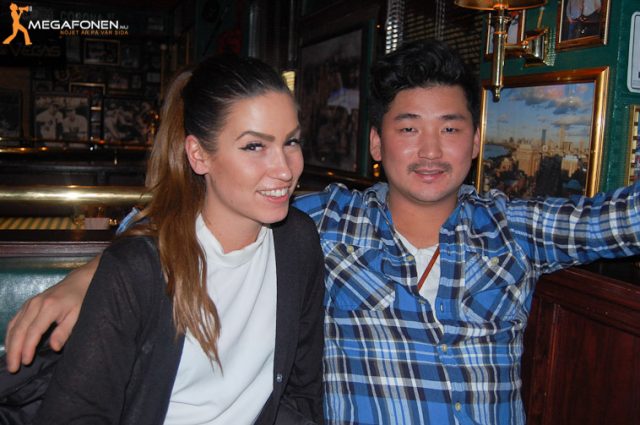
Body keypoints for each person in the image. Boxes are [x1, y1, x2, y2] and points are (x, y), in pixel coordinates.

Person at [6, 39, 640, 424]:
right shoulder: (328, 222)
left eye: (450, 128)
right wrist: (91, 273)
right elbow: (197, 208)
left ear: (475, 142)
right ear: (376, 145)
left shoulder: (515, 227)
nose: (430, 150)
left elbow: (619, 220)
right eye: (408, 128)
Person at [4, 54, 325, 424]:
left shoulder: (297, 243)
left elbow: (301, 393)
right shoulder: (138, 268)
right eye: (255, 146)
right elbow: (74, 414)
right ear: (199, 155)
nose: (284, 169)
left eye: (291, 142)